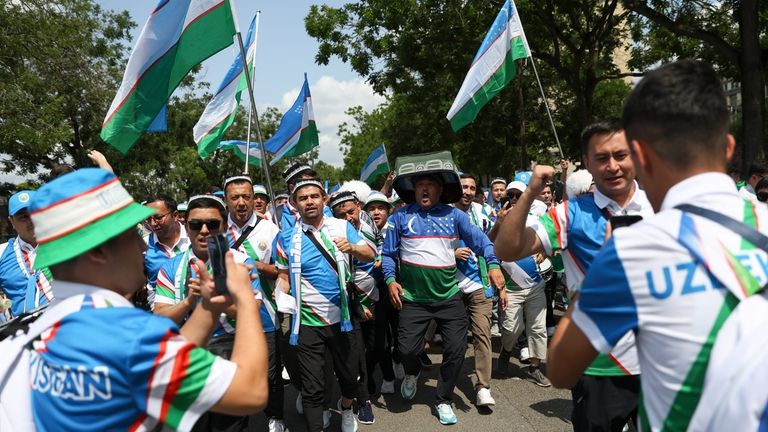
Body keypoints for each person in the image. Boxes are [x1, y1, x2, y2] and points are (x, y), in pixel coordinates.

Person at [546, 59, 768, 431]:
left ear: (641, 157)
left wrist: (594, 278)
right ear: (729, 148)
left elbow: (561, 371)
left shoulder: (631, 250)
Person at [25, 168, 268, 430]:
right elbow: (251, 392)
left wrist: (207, 307)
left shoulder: (23, 335)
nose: (143, 247)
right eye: (133, 236)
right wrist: (244, 299)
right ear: (98, 251)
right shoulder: (130, 335)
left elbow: (160, 364)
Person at [493, 118, 654, 431]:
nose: (613, 166)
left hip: (661, 362)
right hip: (598, 363)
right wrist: (530, 193)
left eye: (620, 155)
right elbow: (507, 249)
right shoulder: (569, 213)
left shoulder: (661, 204)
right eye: (602, 158)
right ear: (588, 164)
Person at [383, 151, 505, 426]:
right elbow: (388, 255)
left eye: (430, 185)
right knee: (406, 351)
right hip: (413, 300)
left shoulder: (455, 216)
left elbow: (484, 243)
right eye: (419, 185)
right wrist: (391, 280)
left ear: (440, 190)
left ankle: (442, 398)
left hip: (449, 299)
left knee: (455, 350)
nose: (424, 189)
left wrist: (494, 265)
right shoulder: (399, 218)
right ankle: (413, 373)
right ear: (413, 190)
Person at [153, 194, 270, 431]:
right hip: (185, 351)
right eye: (196, 225)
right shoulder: (170, 267)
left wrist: (215, 301)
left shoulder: (241, 263)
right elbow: (159, 318)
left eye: (212, 224)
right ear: (186, 226)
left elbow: (251, 310)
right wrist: (189, 301)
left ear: (224, 227)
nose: (204, 230)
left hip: (229, 349)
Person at [275, 178, 375, 432]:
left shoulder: (341, 227)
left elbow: (370, 254)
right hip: (307, 323)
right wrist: (280, 294)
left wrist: (351, 247)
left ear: (324, 199)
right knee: (312, 388)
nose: (309, 201)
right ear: (294, 204)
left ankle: (345, 406)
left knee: (350, 379)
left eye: (314, 196)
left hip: (341, 319)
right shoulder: (286, 237)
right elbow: (284, 275)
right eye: (303, 198)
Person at [222, 176, 285, 432]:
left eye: (246, 197)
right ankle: (240, 422)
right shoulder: (216, 230)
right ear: (225, 200)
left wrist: (254, 264)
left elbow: (282, 270)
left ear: (253, 198)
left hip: (265, 316)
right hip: (226, 320)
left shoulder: (270, 229)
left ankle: (276, 416)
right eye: (234, 197)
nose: (240, 203)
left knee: (269, 374)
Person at [452, 173, 506, 406]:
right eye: (463, 186)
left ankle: (483, 386)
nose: (468, 191)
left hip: (479, 282)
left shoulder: (483, 212)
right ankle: (445, 382)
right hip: (449, 284)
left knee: (483, 333)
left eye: (472, 188)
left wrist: (499, 225)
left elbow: (489, 242)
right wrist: (451, 254)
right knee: (453, 339)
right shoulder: (442, 213)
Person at [490, 182, 550, 387]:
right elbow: (487, 245)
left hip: (535, 286)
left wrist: (545, 249)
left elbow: (552, 243)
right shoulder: (497, 219)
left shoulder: (537, 221)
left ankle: (534, 368)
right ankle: (506, 350)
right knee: (511, 329)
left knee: (538, 328)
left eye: (519, 195)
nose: (514, 199)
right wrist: (499, 223)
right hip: (510, 289)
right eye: (511, 195)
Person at [330, 190, 380, 424]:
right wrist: (359, 305)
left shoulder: (371, 226)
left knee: (378, 347)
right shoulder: (335, 234)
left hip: (379, 296)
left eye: (351, 211)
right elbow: (348, 276)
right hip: (352, 303)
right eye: (341, 215)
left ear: (359, 207)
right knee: (356, 355)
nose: (348, 218)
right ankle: (364, 401)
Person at [363, 191, 400, 389]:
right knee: (379, 341)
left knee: (401, 336)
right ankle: (387, 375)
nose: (376, 212)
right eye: (371, 209)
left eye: (381, 208)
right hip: (372, 293)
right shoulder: (359, 232)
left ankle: (399, 359)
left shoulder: (397, 230)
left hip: (397, 290)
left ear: (389, 211)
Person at [0, 190, 53, 317]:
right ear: (12, 221)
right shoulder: (2, 253)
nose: (31, 220)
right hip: (26, 332)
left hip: (69, 322)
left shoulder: (63, 243)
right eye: (23, 217)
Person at [143, 194, 189, 304]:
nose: (153, 223)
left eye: (158, 218)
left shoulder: (192, 238)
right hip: (163, 315)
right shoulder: (143, 245)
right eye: (149, 219)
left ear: (175, 215)